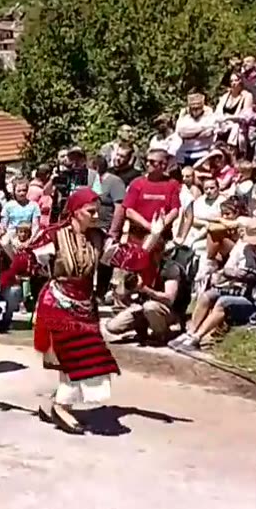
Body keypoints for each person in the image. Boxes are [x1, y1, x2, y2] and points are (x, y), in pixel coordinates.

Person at [19, 189, 160, 433]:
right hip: (58, 303)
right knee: (71, 356)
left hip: (85, 303)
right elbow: (27, 261)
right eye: (91, 211)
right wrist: (9, 247)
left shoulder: (98, 238)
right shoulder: (53, 236)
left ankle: (54, 403)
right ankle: (61, 406)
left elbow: (127, 258)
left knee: (87, 356)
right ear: (75, 212)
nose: (96, 216)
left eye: (97, 211)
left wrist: (154, 235)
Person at [172, 219, 256, 351]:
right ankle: (191, 332)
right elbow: (239, 271)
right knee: (208, 295)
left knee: (223, 302)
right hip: (248, 291)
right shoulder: (247, 249)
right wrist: (233, 274)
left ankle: (197, 337)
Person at [105, 243, 191, 346]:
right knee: (112, 326)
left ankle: (161, 335)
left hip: (170, 310)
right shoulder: (140, 268)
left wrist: (145, 290)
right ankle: (142, 332)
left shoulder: (170, 268)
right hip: (144, 307)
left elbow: (169, 299)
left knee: (149, 307)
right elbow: (124, 296)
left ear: (158, 253)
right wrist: (125, 292)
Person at [116, 149, 182, 245]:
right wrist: (148, 226)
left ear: (163, 165)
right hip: (137, 236)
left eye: (152, 162)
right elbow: (129, 211)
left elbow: (174, 210)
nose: (147, 164)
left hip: (162, 237)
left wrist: (160, 226)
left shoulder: (172, 185)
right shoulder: (137, 183)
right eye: (146, 161)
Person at [174, 93, 218, 166]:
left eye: (198, 107)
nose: (195, 110)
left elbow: (209, 131)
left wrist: (189, 134)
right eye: (193, 108)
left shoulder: (209, 116)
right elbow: (180, 131)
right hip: (185, 153)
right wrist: (201, 130)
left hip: (204, 153)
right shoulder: (184, 118)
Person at [216, 72, 255, 150]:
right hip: (223, 125)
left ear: (241, 81)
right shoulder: (225, 96)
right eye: (231, 81)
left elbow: (245, 116)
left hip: (238, 126)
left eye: (236, 80)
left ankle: (233, 150)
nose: (233, 83)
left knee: (236, 128)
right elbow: (218, 111)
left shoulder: (247, 96)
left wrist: (229, 118)